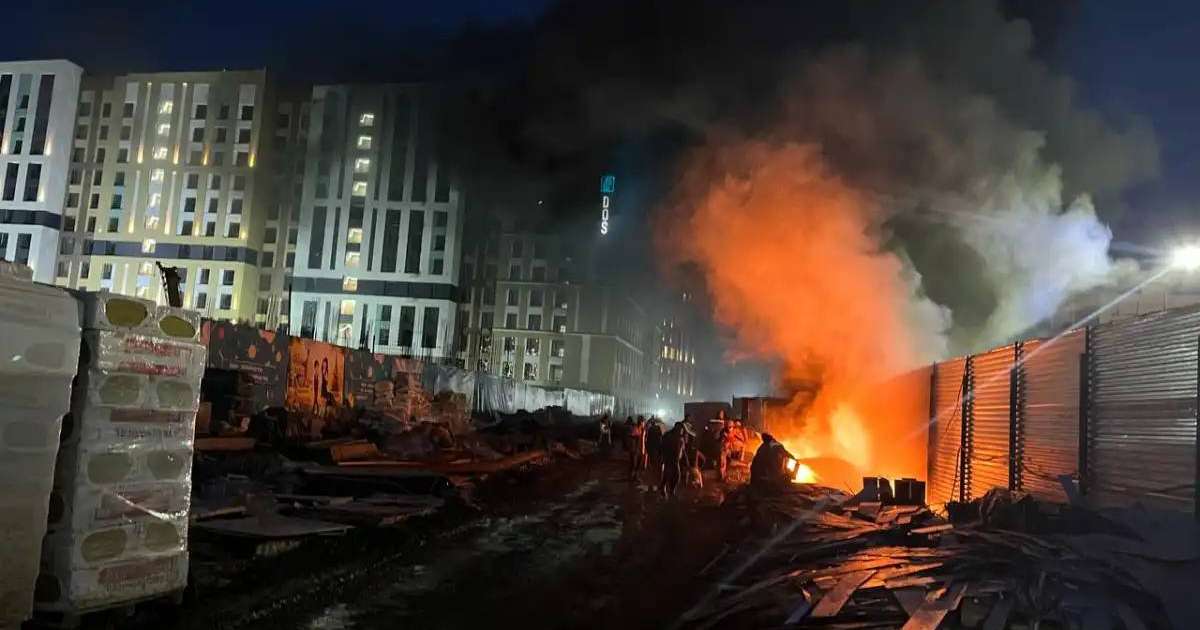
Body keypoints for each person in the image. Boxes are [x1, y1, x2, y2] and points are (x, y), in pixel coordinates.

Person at [659, 421, 688, 498]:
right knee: (676, 475)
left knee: (668, 473)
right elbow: (662, 446)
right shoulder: (669, 436)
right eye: (681, 428)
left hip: (675, 459)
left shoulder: (679, 437)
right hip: (670, 458)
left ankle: (665, 487)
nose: (681, 430)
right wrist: (662, 456)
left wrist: (685, 459)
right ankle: (670, 489)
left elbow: (683, 449)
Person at [628, 417, 646, 481]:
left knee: (638, 464)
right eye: (643, 422)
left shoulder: (643, 429)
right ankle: (631, 476)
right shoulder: (635, 428)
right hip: (635, 450)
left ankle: (635, 476)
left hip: (641, 450)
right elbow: (632, 438)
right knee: (633, 464)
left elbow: (643, 440)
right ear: (641, 422)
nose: (644, 423)